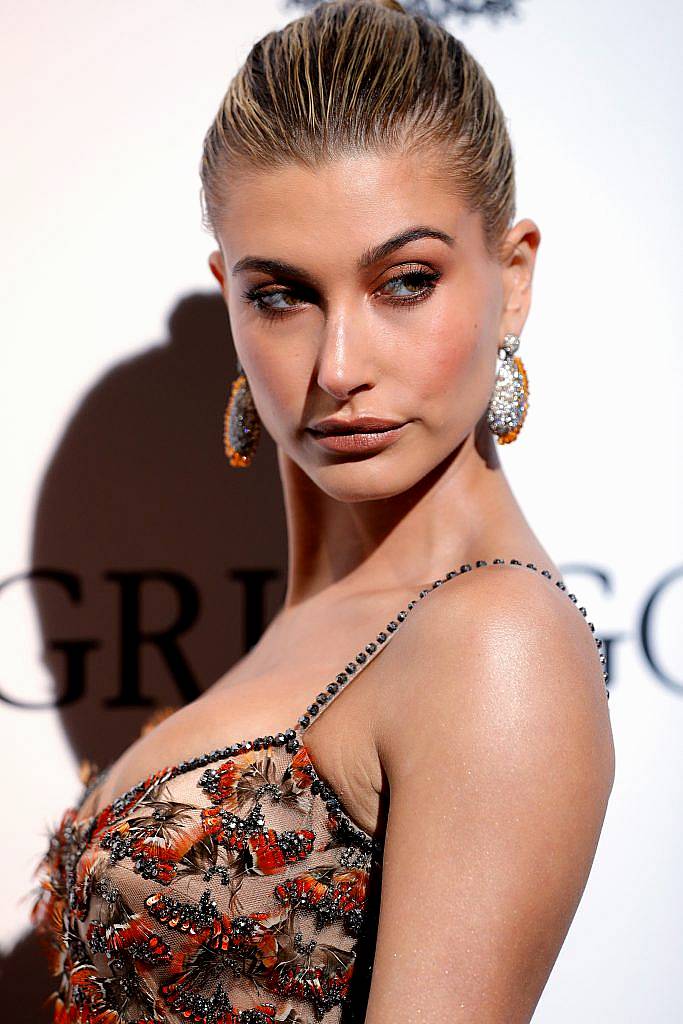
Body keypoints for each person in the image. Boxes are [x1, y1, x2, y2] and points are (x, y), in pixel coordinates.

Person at [31, 1, 615, 1021]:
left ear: (511, 277)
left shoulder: (494, 639)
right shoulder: (330, 621)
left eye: (404, 281)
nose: (338, 369)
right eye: (280, 295)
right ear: (228, 295)